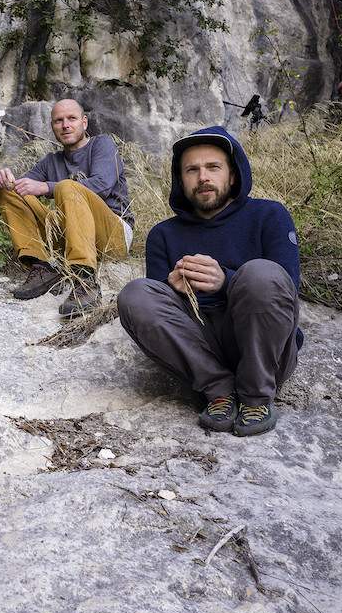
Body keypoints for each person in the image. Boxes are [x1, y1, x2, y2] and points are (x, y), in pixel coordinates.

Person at [116, 125, 301, 436]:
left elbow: (286, 290)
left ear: (233, 175)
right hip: (201, 353)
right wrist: (173, 289)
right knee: (136, 294)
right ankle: (219, 391)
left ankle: (256, 396)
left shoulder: (269, 215)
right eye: (192, 170)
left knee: (262, 273)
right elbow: (157, 314)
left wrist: (225, 281)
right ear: (180, 180)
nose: (203, 177)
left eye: (213, 167)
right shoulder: (163, 234)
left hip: (264, 347)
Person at [0, 98, 134, 317]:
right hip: (71, 236)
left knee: (67, 187)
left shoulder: (102, 144)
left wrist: (47, 187)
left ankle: (85, 280)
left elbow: (102, 185)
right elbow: (19, 188)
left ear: (84, 122)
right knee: (8, 192)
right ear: (52, 127)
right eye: (58, 121)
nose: (65, 125)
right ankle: (43, 267)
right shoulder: (51, 161)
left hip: (112, 235)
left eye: (72, 119)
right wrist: (2, 179)